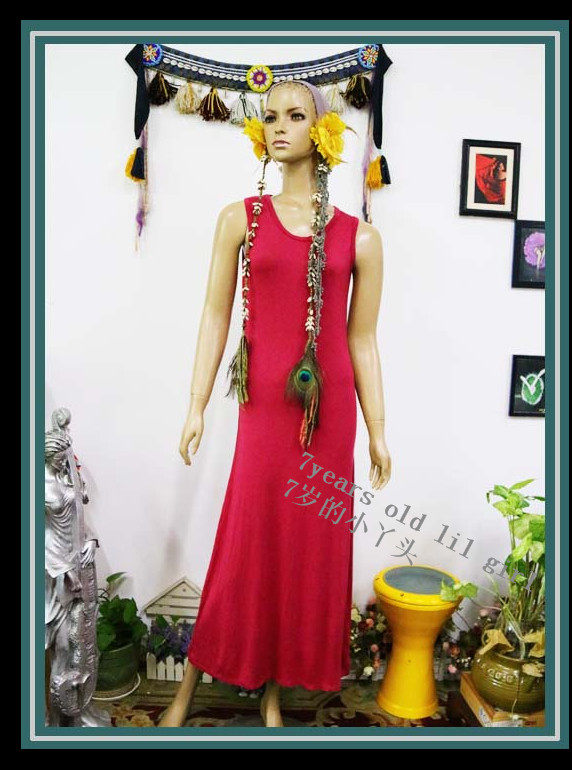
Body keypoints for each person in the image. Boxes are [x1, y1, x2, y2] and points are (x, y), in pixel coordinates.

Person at [160, 79, 391, 727]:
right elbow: (214, 316)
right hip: (262, 408)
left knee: (306, 549)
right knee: (247, 543)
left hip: (327, 417)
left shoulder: (361, 239)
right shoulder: (240, 218)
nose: (279, 127)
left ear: (322, 130)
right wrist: (196, 403)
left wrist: (377, 430)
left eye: (294, 115)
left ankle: (274, 693)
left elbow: (363, 339)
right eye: (269, 117)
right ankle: (191, 688)